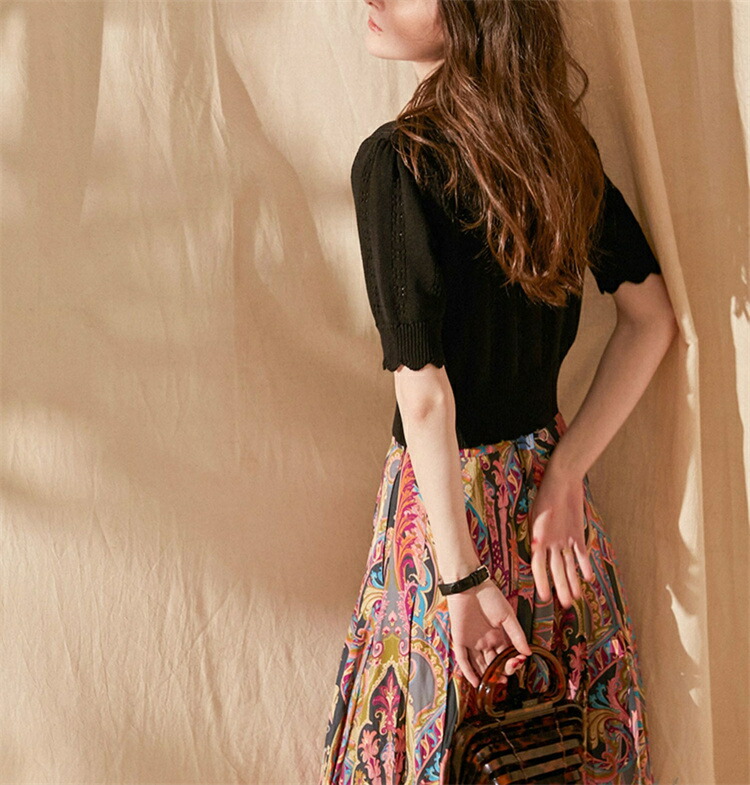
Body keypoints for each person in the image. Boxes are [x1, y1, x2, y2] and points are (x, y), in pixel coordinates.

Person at [319, 0, 678, 783]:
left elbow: (426, 397)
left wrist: (460, 578)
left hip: (446, 518)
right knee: (558, 747)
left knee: (441, 745)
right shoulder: (556, 150)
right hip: (549, 513)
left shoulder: (397, 163)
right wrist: (566, 469)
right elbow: (651, 319)